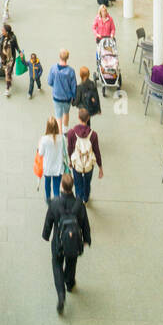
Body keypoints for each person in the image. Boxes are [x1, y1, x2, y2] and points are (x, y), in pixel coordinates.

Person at [42, 172, 91, 314]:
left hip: (58, 241)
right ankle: (69, 283)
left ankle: (61, 295)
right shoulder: (79, 205)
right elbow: (85, 225)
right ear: (72, 187)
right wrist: (86, 239)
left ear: (62, 186)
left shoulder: (55, 203)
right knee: (71, 262)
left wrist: (46, 235)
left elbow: (48, 222)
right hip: (73, 243)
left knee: (57, 264)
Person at [67, 107, 103, 202]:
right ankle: (86, 199)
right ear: (88, 119)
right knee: (87, 183)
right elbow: (97, 151)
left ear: (79, 118)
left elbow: (70, 149)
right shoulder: (93, 135)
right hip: (89, 165)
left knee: (78, 184)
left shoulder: (71, 133)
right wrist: (100, 167)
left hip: (77, 164)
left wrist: (70, 161)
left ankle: (79, 201)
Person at [48, 49, 77, 133]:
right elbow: (73, 86)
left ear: (59, 56)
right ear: (67, 58)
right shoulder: (71, 71)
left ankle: (59, 133)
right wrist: (73, 96)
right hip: (67, 98)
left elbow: (49, 82)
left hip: (56, 97)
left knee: (58, 116)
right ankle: (65, 130)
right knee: (66, 113)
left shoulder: (53, 68)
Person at [38, 116, 63, 201]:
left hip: (47, 168)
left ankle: (48, 199)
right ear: (57, 126)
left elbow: (40, 153)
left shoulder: (44, 139)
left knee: (47, 184)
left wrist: (39, 145)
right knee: (56, 187)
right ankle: (56, 203)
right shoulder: (62, 138)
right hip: (58, 168)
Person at [0, 21, 19, 97]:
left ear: (7, 32)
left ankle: (7, 89)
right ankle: (9, 78)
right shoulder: (0, 37)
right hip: (3, 58)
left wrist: (20, 52)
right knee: (6, 72)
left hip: (11, 59)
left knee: (7, 74)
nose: (2, 32)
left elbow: (16, 46)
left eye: (3, 31)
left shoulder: (13, 38)